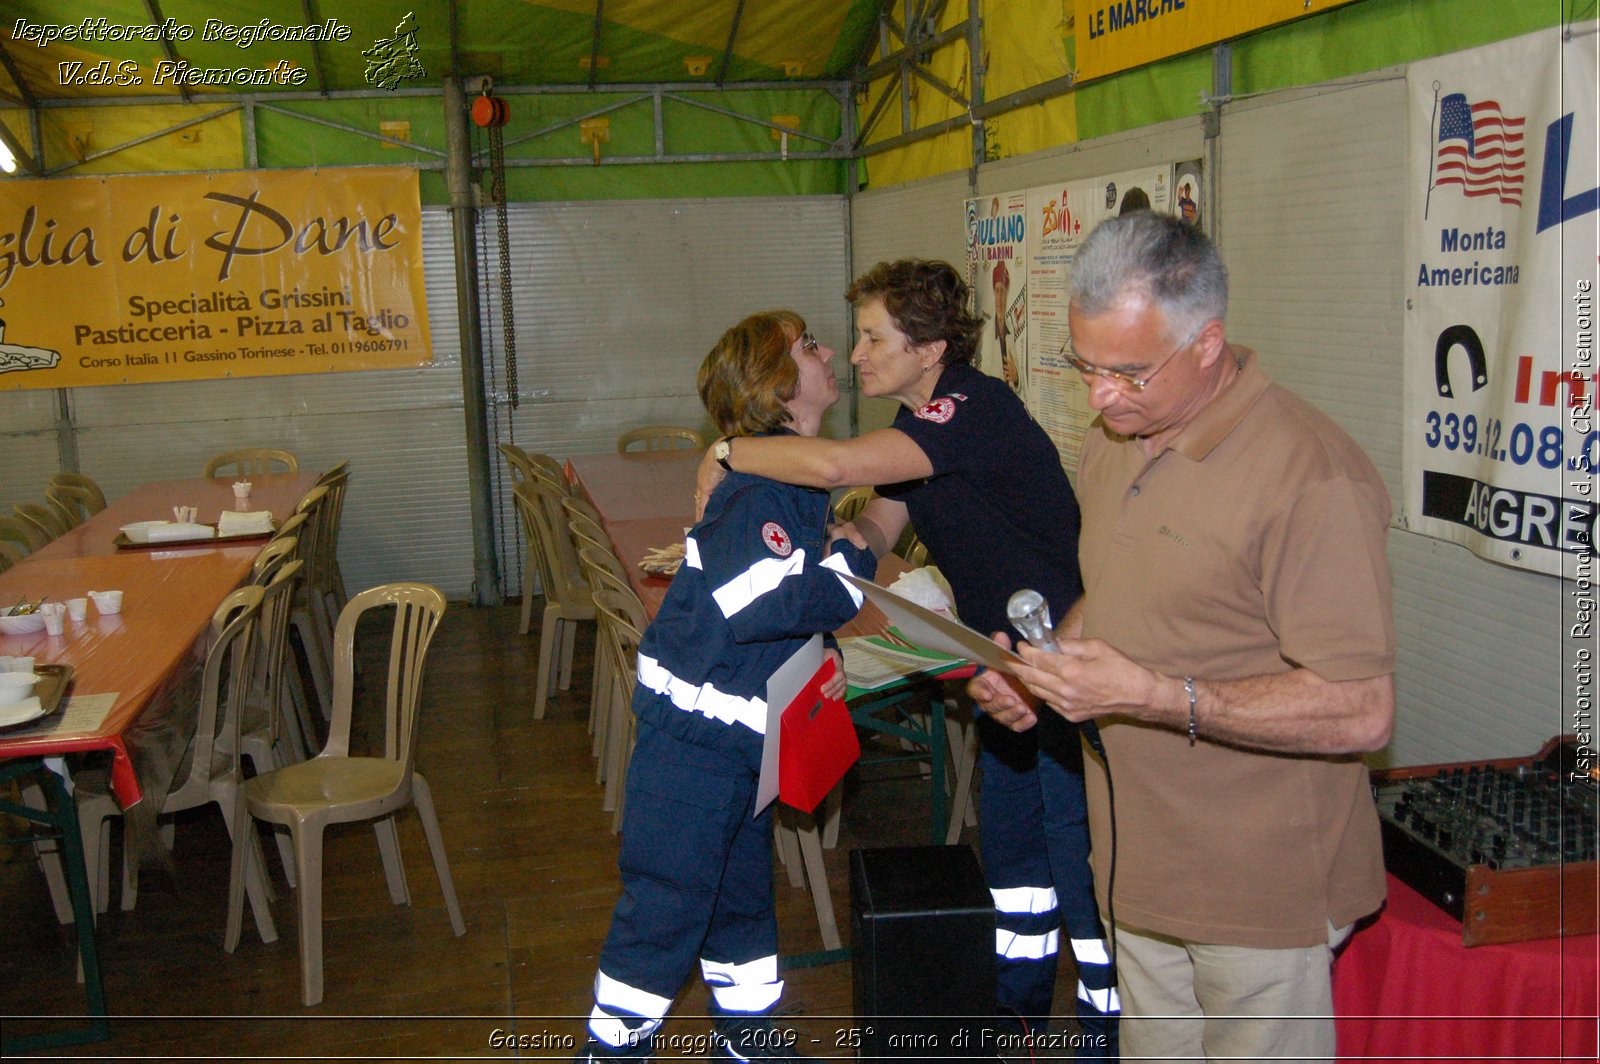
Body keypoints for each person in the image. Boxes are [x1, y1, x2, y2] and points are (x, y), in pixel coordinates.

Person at [970, 211, 1394, 1062]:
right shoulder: (1115, 442)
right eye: (1085, 366)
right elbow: (1119, 589)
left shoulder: (1310, 476)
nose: (1098, 397)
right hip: (1136, 872)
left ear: (1209, 343)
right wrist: (1041, 669)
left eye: (1128, 372)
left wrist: (1156, 698)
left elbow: (1360, 710)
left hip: (1258, 895)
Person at [697, 260, 1120, 1059]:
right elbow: (882, 523)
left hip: (1067, 666)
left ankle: (1106, 1026)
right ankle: (1019, 1012)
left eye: (872, 337)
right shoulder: (924, 427)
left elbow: (837, 467)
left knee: (1079, 859)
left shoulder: (971, 407)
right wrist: (835, 550)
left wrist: (729, 453)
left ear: (929, 349)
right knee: (1017, 857)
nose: (857, 355)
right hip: (1002, 668)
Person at [575, 311, 878, 1063]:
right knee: (667, 907)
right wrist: (852, 567)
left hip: (741, 747)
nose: (830, 352)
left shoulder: (780, 472)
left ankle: (748, 1042)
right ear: (777, 387)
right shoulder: (762, 486)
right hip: (695, 749)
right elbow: (765, 603)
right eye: (810, 347)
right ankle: (611, 1052)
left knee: (739, 902)